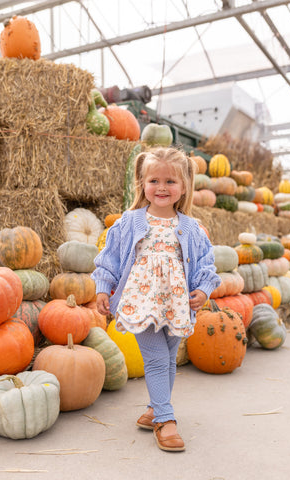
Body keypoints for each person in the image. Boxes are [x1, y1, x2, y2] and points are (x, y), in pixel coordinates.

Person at [92, 146, 221, 452]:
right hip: (143, 301)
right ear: (142, 184)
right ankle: (165, 419)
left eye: (170, 182)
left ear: (184, 186)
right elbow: (109, 258)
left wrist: (203, 289)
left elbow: (205, 264)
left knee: (170, 359)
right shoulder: (130, 221)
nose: (162, 187)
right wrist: (101, 287)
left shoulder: (191, 228)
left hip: (176, 303)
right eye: (154, 181)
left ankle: (154, 408)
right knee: (156, 358)